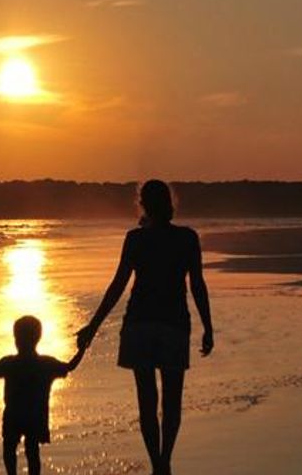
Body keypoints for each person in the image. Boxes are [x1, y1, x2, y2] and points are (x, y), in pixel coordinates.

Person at [76, 179, 214, 475]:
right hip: (174, 323)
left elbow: (118, 286)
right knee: (172, 400)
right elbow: (197, 286)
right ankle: (165, 462)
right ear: (170, 204)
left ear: (143, 205)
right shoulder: (187, 238)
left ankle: (157, 464)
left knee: (147, 400)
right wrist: (208, 327)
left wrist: (93, 326)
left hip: (139, 324)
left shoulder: (136, 239)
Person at [0, 316, 85, 475]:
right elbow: (70, 366)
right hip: (35, 415)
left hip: (13, 415)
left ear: (16, 339)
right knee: (32, 450)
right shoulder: (45, 364)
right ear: (38, 338)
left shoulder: (10, 363)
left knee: (10, 449)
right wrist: (82, 348)